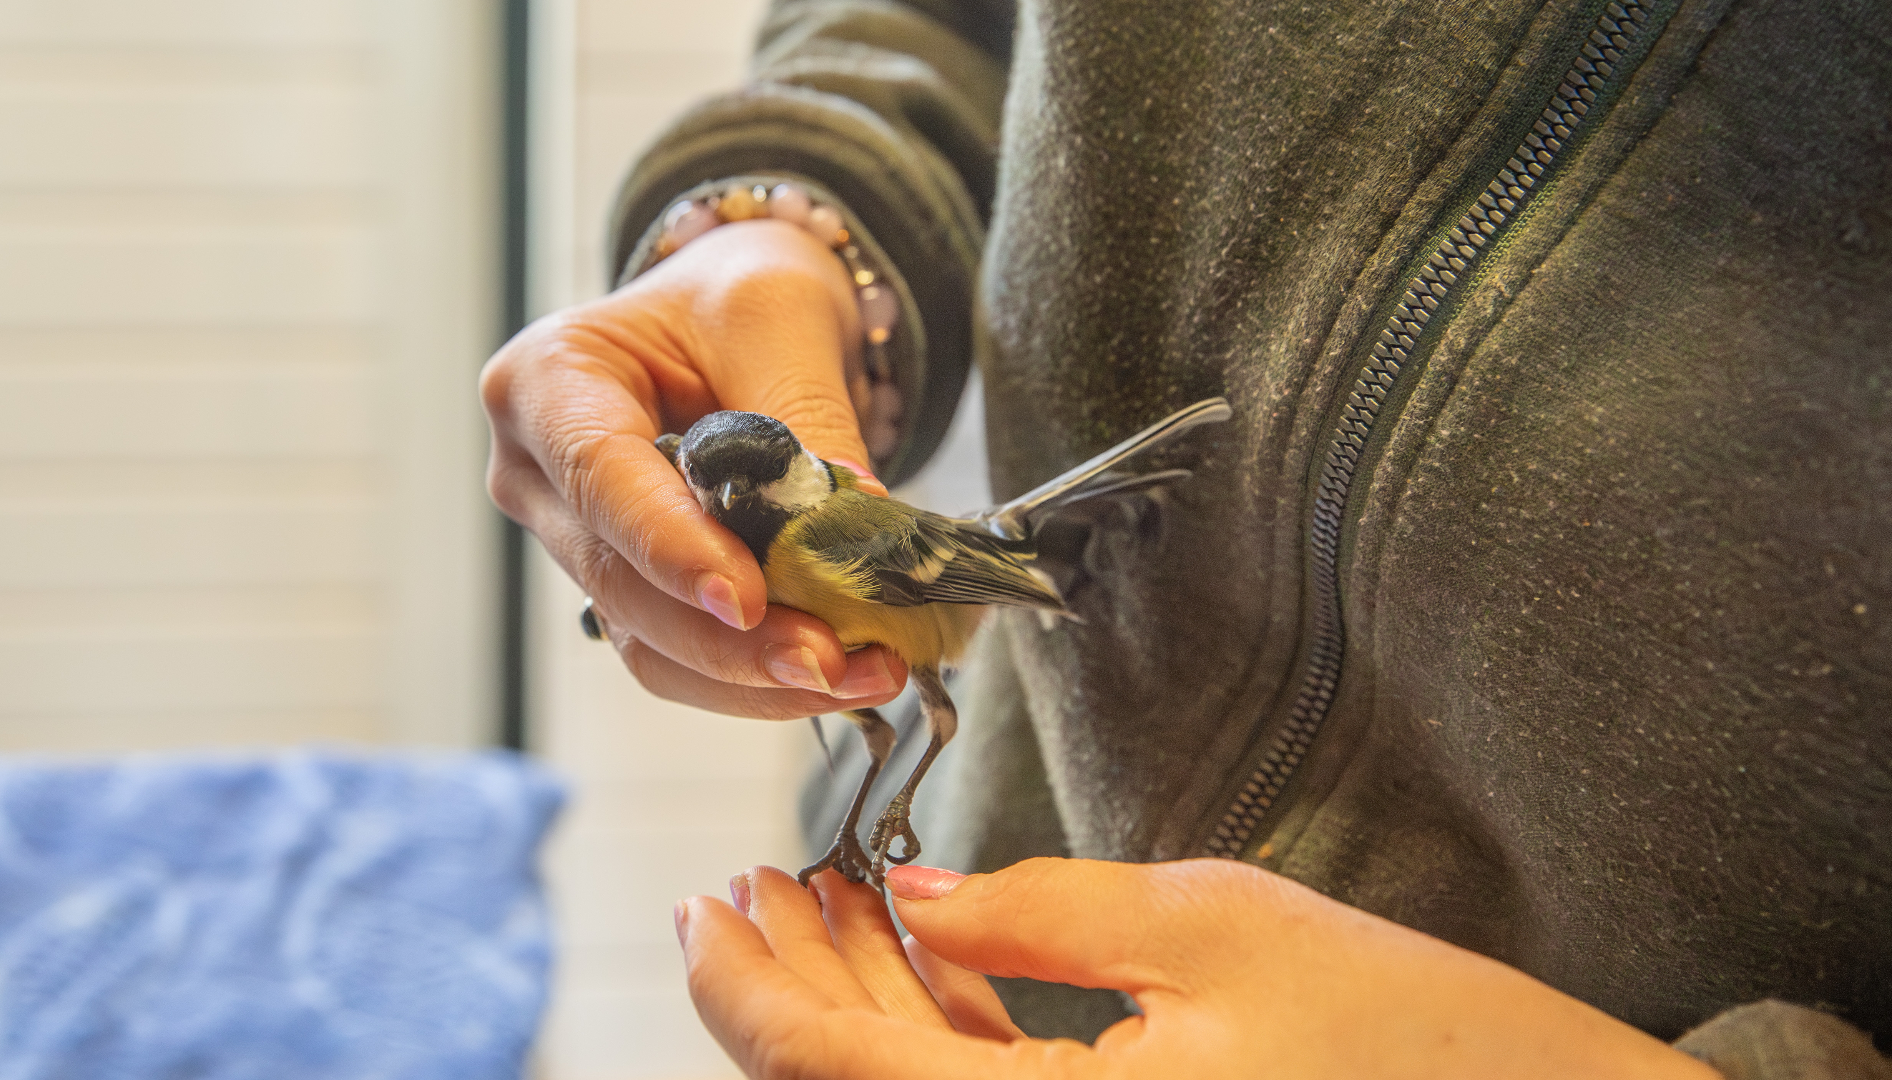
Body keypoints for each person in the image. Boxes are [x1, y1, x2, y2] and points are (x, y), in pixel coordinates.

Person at [481, 0, 1892, 1075]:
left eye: (739, 495)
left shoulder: (837, 543)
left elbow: (956, 602)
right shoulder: (779, 521)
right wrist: (795, 211)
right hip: (980, 972)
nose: (726, 514)